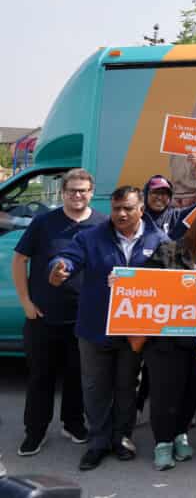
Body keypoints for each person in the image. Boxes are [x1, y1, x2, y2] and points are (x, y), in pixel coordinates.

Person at [47, 185, 170, 471]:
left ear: (141, 209)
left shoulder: (160, 240)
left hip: (133, 333)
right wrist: (58, 267)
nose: (121, 214)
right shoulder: (90, 237)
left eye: (128, 208)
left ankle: (122, 437)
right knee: (94, 388)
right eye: (116, 208)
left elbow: (172, 279)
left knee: (127, 387)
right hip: (94, 328)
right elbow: (67, 258)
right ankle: (98, 442)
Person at [13, 169, 105, 457]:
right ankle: (35, 432)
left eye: (83, 190)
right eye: (72, 190)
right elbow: (19, 260)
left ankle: (73, 424)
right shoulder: (44, 223)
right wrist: (25, 302)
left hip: (83, 318)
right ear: (62, 192)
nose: (77, 195)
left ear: (91, 192)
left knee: (78, 375)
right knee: (41, 377)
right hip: (43, 317)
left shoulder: (102, 224)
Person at [142, 209, 196, 470]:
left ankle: (181, 434)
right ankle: (163, 443)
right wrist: (120, 282)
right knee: (164, 393)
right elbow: (144, 283)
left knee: (191, 392)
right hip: (165, 341)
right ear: (195, 230)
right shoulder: (168, 251)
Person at [142, 153, 196, 239]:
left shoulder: (177, 216)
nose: (159, 197)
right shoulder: (137, 217)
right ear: (146, 195)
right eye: (155, 192)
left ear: (170, 197)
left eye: (164, 193)